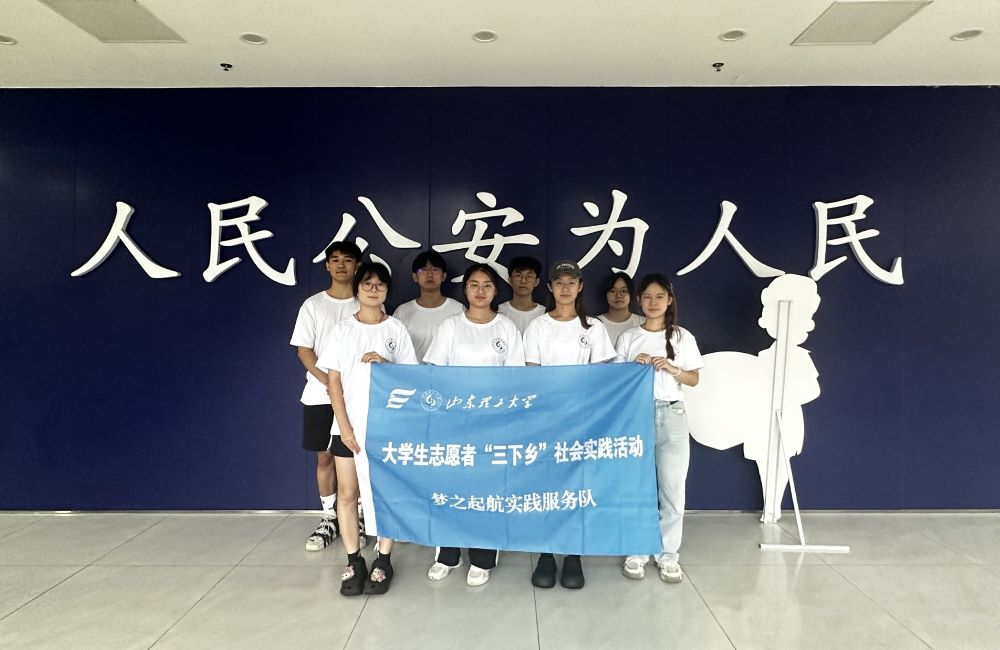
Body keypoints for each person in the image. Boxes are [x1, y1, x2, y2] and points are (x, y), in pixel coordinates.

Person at [423, 263, 526, 587]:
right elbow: (435, 373)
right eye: (474, 285)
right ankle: (448, 554)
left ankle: (482, 556)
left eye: (487, 285)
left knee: (487, 489)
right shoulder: (451, 326)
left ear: (496, 291)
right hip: (455, 422)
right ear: (465, 289)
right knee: (451, 487)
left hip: (493, 423)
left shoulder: (506, 327)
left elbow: (516, 377)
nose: (480, 291)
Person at [318, 262, 418, 596]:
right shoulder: (342, 329)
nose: (373, 290)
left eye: (380, 285)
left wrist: (386, 365)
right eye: (367, 284)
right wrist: (344, 426)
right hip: (348, 427)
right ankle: (353, 560)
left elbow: (411, 378)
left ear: (387, 291)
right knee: (348, 494)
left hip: (386, 427)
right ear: (357, 288)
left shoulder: (396, 329)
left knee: (385, 494)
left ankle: (384, 558)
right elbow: (333, 381)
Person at [523, 260, 615, 590]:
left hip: (582, 421)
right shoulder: (537, 327)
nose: (565, 288)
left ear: (580, 287)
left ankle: (574, 554)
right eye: (559, 282)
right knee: (547, 489)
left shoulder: (593, 328)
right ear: (549, 287)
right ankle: (547, 554)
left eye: (571, 282)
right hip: (546, 421)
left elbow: (602, 377)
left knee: (577, 489)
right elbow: (532, 375)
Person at [616, 274, 703, 584]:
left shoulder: (682, 337)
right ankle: (637, 551)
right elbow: (615, 382)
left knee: (672, 490)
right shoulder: (628, 337)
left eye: (659, 297)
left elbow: (694, 379)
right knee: (636, 488)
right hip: (635, 417)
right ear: (639, 300)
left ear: (669, 300)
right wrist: (632, 367)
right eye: (647, 297)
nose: (653, 303)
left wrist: (673, 368)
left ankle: (668, 555)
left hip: (672, 414)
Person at [288, 241, 363, 552]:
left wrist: (347, 386)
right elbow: (304, 350)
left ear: (357, 266)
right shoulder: (314, 305)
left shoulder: (366, 301)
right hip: (320, 394)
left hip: (357, 396)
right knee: (325, 456)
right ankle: (329, 516)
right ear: (328, 266)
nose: (341, 265)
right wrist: (328, 383)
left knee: (356, 456)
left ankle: (357, 516)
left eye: (348, 260)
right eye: (335, 260)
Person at [392, 250, 464, 362]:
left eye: (435, 269)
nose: (429, 274)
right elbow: (393, 348)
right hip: (411, 372)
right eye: (423, 270)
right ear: (415, 276)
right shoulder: (402, 311)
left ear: (444, 276)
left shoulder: (458, 309)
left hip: (447, 371)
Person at [497, 256, 546, 334]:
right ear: (510, 280)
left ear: (536, 282)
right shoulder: (499, 311)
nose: (523, 281)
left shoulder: (544, 314)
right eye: (518, 275)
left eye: (529, 276)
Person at [597, 271, 644, 345]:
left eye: (624, 291)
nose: (618, 295)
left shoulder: (643, 323)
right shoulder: (595, 324)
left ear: (631, 294)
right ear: (606, 294)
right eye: (612, 291)